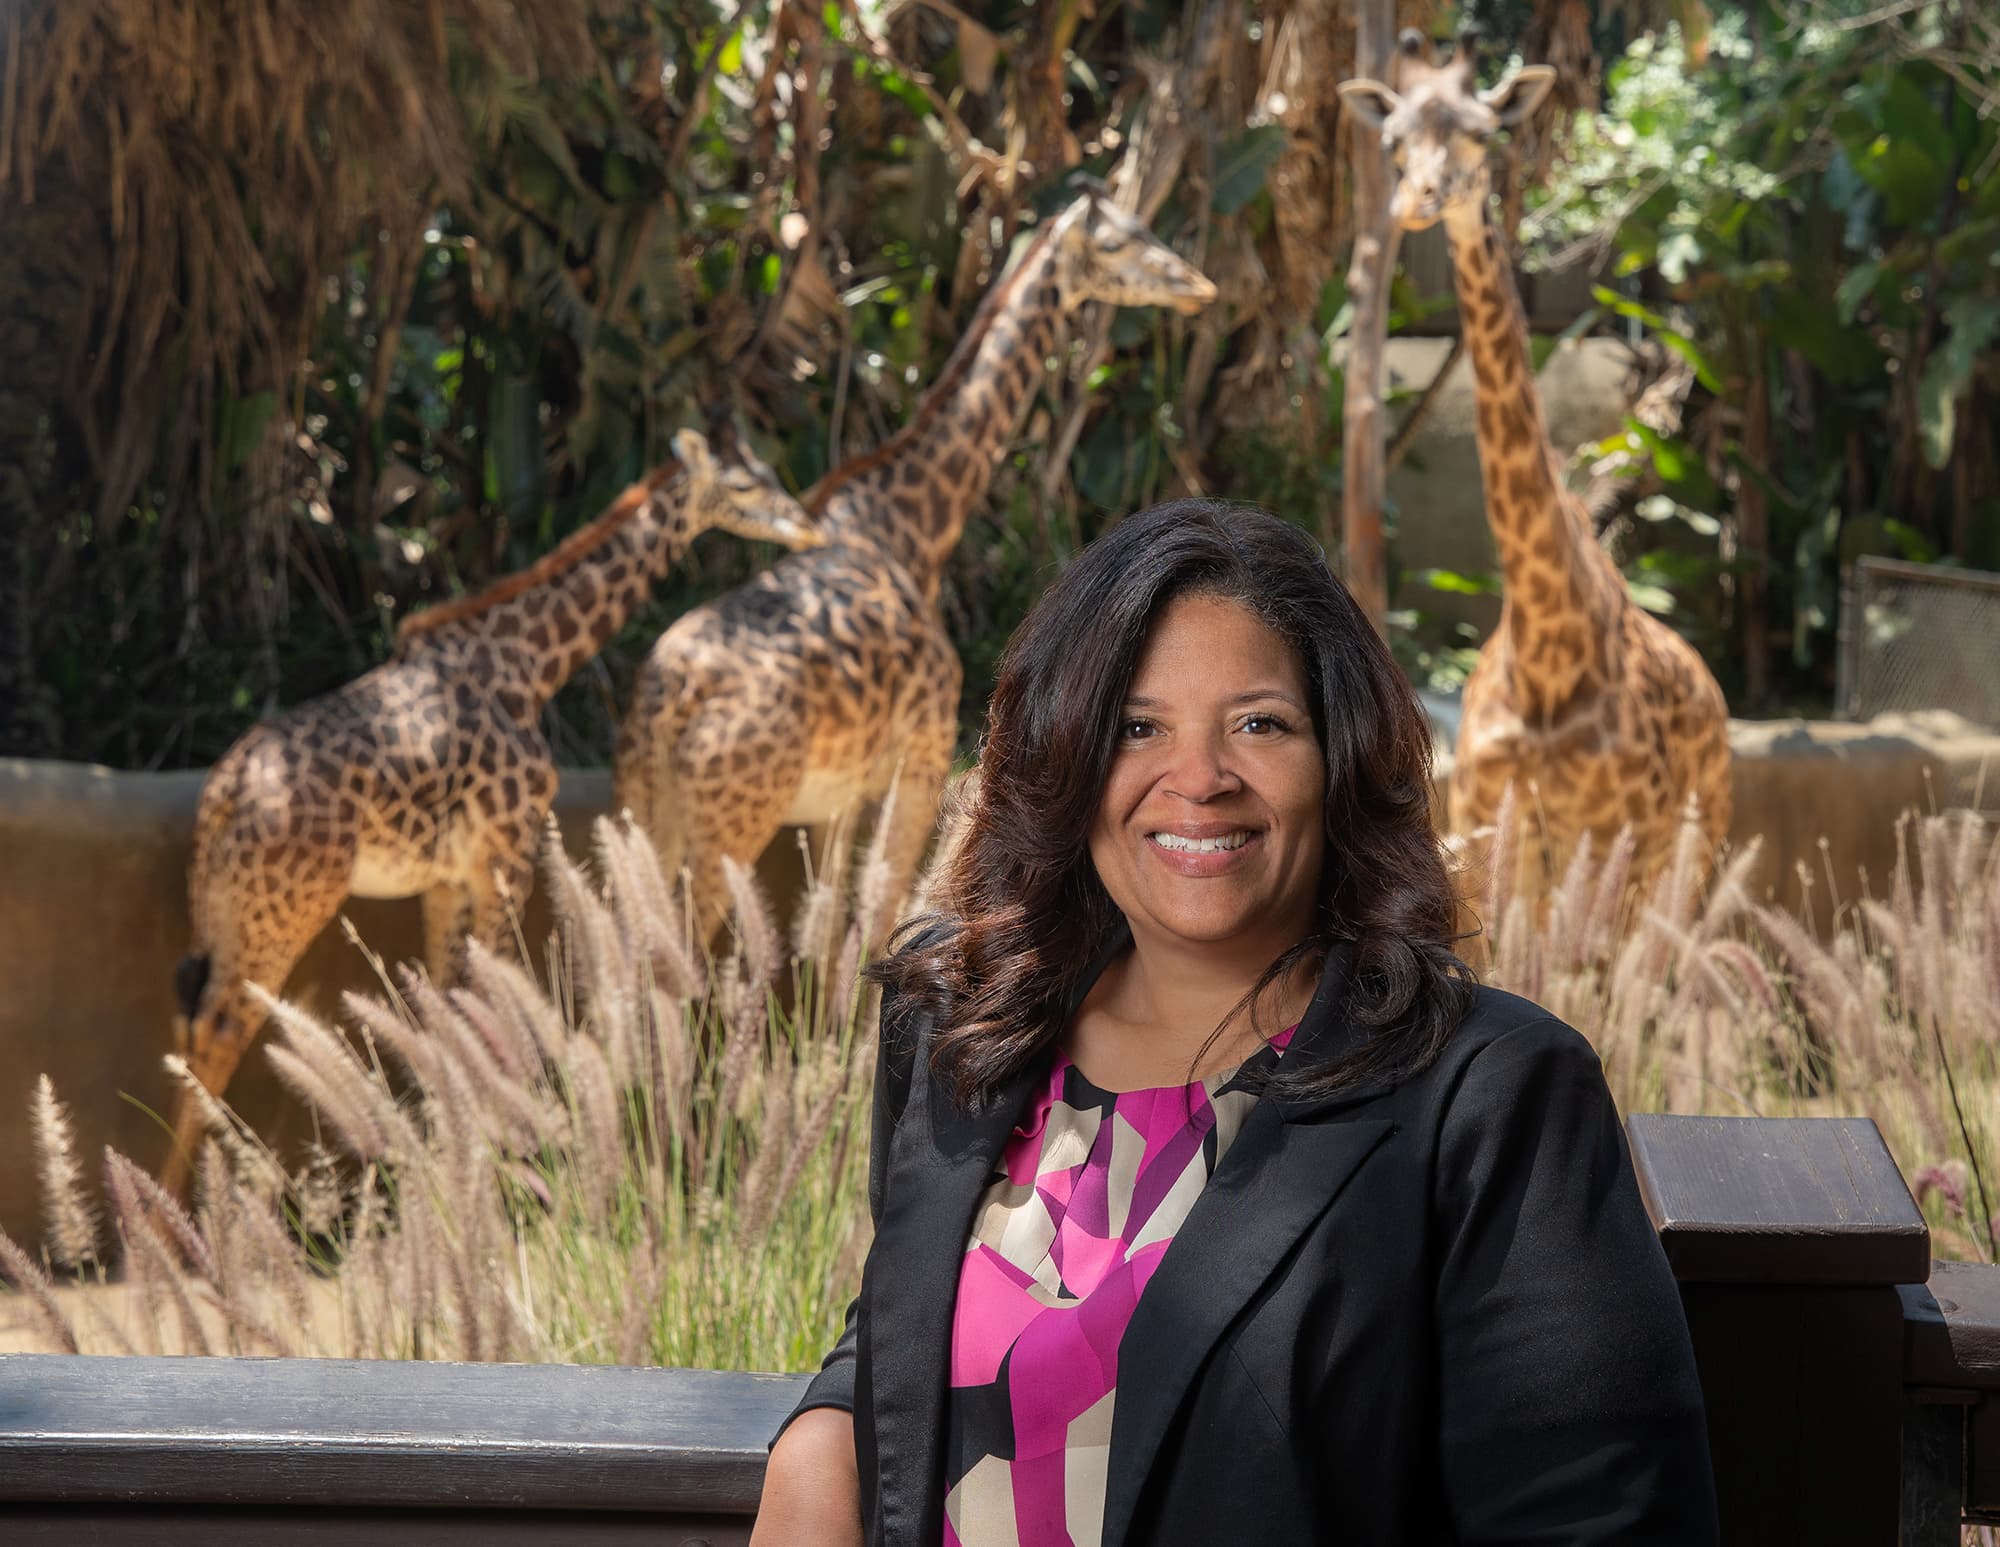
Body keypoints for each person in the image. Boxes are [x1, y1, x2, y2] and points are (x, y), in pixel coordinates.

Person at [752, 500, 1718, 1546]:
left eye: (1258, 722)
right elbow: (917, 1325)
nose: (1199, 776)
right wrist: (819, 1438)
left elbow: (1597, 1524)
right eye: (1135, 725)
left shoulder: (1490, 1099)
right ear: (1066, 757)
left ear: (1337, 758)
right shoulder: (960, 1022)